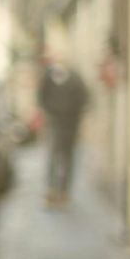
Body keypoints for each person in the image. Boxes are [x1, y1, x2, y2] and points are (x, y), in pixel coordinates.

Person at [38, 55, 89, 206]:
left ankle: (64, 191)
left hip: (70, 126)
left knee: (67, 159)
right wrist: (51, 112)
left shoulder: (75, 79)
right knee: (54, 157)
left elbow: (84, 98)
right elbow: (41, 97)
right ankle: (52, 190)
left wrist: (73, 115)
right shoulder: (48, 78)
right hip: (55, 124)